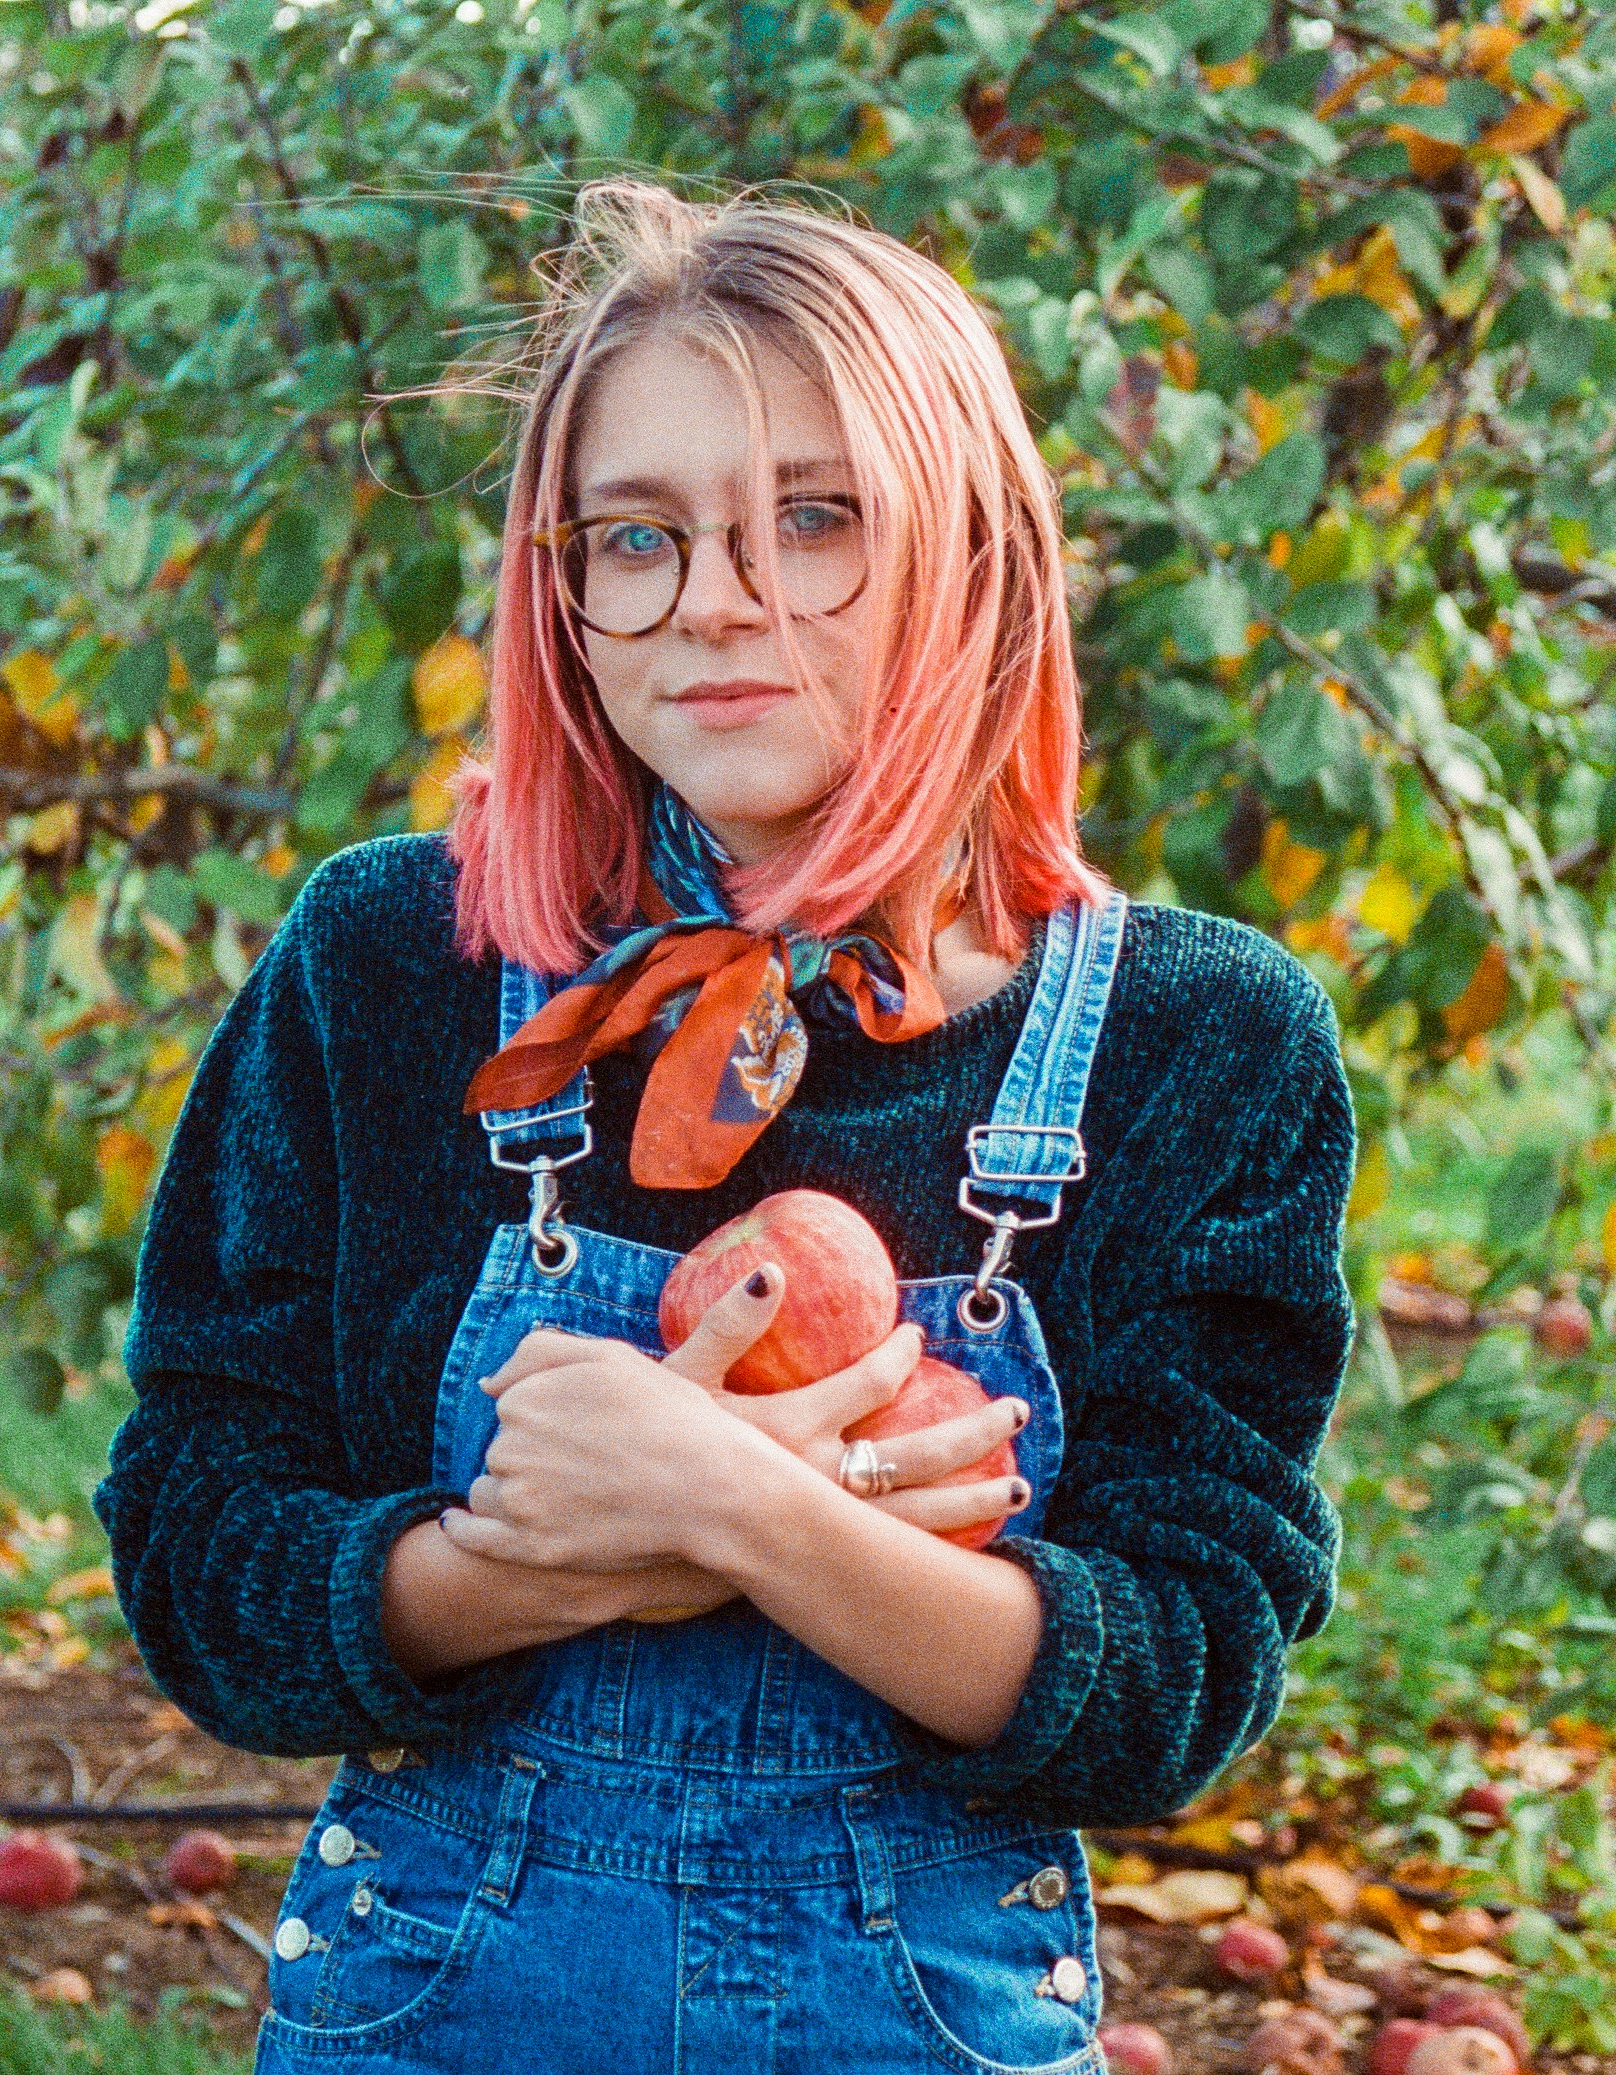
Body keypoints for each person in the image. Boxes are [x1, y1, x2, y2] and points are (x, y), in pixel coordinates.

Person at [94, 178, 1356, 2075]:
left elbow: (1171, 1687)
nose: (712, 602)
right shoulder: (392, 966)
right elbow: (204, 1557)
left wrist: (740, 1507)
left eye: (818, 518)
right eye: (637, 536)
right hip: (436, 2011)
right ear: (567, 596)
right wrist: (531, 1565)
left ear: (976, 557)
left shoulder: (1195, 1045)